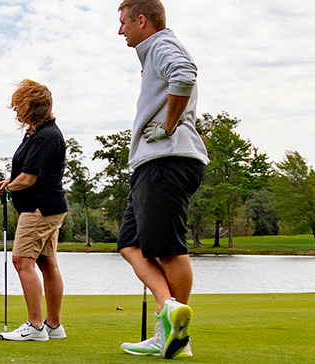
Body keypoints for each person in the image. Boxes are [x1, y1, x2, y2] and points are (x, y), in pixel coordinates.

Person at [115, 0, 206, 358]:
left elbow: (184, 74)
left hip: (166, 161)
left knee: (167, 250)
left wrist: (167, 125)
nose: (120, 30)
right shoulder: (153, 51)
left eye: (123, 22)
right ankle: (169, 314)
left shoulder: (161, 44)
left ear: (142, 20)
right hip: (153, 164)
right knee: (129, 243)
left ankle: (176, 335)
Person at [0, 80, 70, 342]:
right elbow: (23, 175)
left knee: (22, 260)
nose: (15, 112)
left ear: (32, 107)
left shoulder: (46, 137)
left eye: (19, 106)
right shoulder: (36, 133)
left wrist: (7, 187)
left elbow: (28, 179)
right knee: (47, 262)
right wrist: (9, 183)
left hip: (39, 208)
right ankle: (53, 326)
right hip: (49, 206)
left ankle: (36, 326)